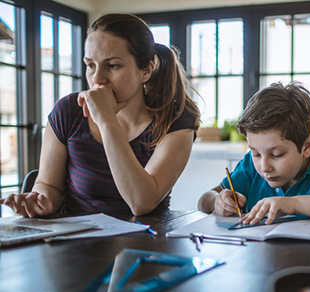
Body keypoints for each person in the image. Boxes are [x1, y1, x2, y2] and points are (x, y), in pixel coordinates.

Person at [0, 13, 200, 217]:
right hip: (77, 240)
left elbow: (141, 202)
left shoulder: (176, 119)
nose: (97, 79)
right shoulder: (68, 111)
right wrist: (42, 199)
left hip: (146, 242)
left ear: (146, 70)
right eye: (90, 65)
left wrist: (107, 121)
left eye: (112, 66)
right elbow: (48, 185)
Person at [198, 81, 310, 225]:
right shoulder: (250, 166)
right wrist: (217, 201)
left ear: (307, 146)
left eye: (277, 154)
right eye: (256, 153)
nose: (264, 167)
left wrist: (292, 204)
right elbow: (204, 200)